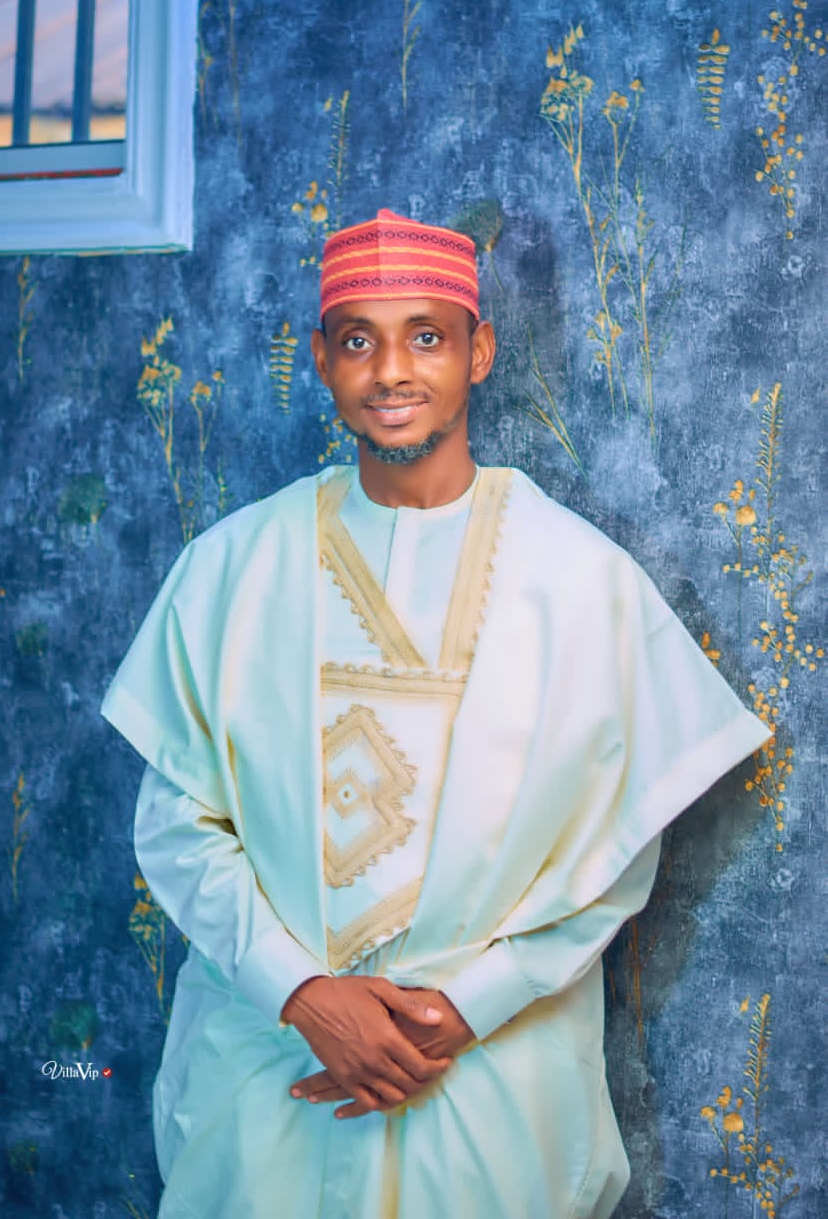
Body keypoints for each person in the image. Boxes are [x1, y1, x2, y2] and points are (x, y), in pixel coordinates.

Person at [102, 209, 769, 1218]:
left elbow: (615, 850)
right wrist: (301, 992)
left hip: (488, 1076)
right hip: (270, 1060)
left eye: (425, 336)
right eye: (357, 341)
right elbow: (175, 822)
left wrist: (462, 1008)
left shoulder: (578, 579)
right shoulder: (233, 566)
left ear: (478, 352)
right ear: (321, 359)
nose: (390, 372)